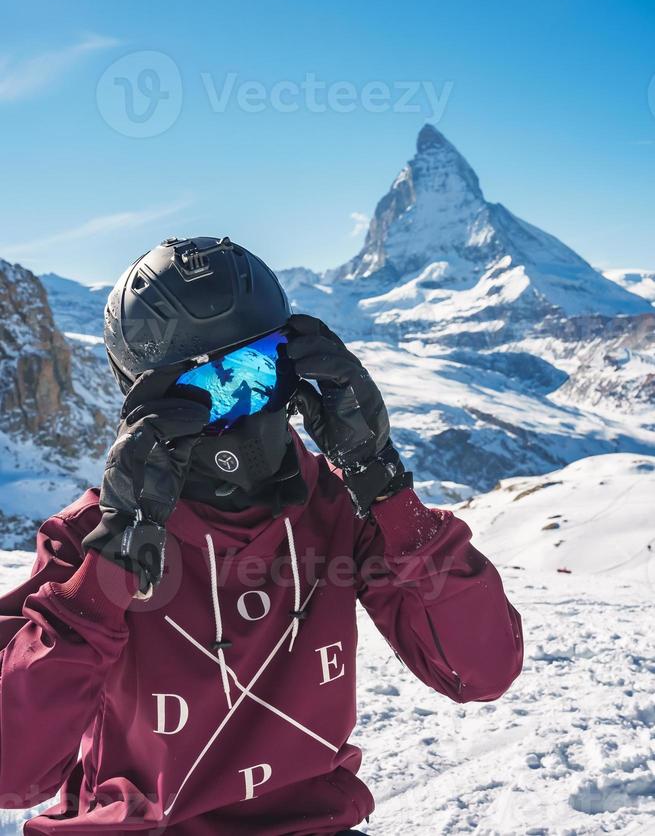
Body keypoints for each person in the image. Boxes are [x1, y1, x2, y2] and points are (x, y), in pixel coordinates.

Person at [0, 237, 524, 835]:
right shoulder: (86, 540)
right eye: (206, 393)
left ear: (300, 372)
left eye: (260, 371)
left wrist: (384, 485)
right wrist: (108, 572)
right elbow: (14, 772)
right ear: (144, 403)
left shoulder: (340, 508)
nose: (243, 410)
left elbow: (482, 671)